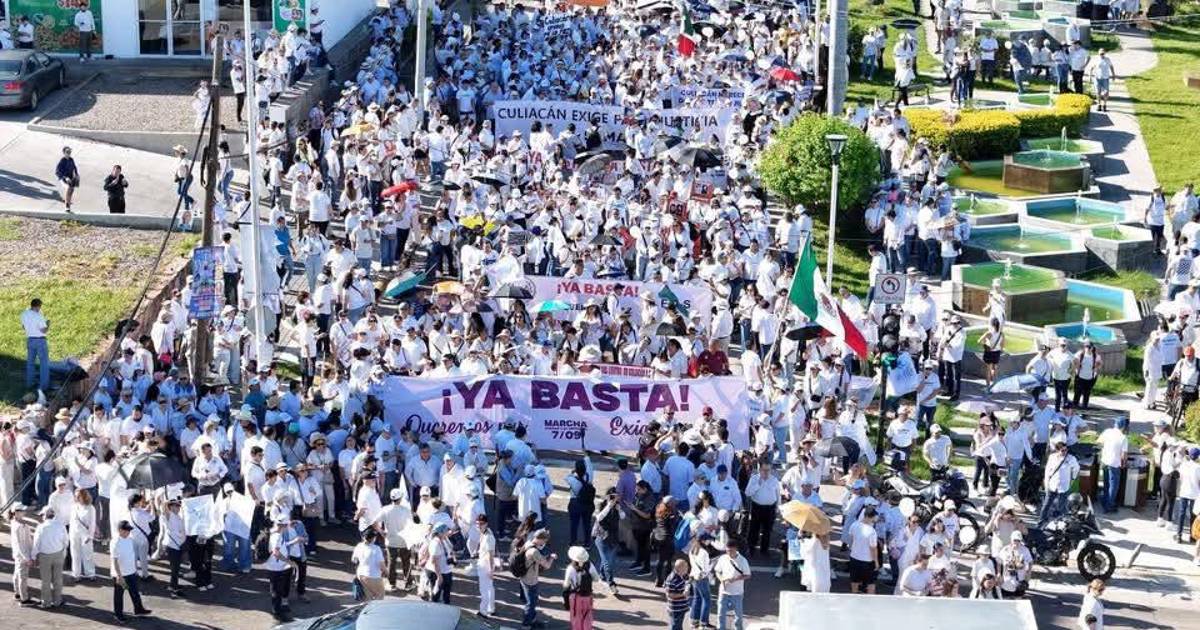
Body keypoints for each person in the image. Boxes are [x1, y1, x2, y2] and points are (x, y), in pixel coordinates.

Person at [111, 520, 152, 622]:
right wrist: (119, 576)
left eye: (129, 530)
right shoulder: (115, 542)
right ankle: (118, 614)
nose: (128, 532)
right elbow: (114, 560)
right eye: (126, 530)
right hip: (121, 575)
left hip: (131, 572)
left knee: (134, 592)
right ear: (120, 530)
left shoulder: (130, 540)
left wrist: (134, 570)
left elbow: (131, 556)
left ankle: (138, 609)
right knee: (119, 596)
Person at [519, 529, 556, 629]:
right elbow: (547, 565)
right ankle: (526, 624)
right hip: (531, 580)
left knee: (532, 600)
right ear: (541, 539)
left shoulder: (528, 543)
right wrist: (552, 557)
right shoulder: (534, 551)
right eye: (544, 541)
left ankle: (532, 620)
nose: (544, 543)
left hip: (524, 577)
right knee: (531, 603)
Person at [33, 506, 67, 608]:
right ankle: (57, 601)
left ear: (45, 516)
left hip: (45, 557)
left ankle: (46, 602)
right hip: (58, 555)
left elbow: (36, 544)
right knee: (58, 579)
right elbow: (65, 541)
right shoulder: (61, 526)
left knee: (45, 580)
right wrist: (63, 553)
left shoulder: (41, 527)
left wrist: (33, 556)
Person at [562, 545, 603, 630]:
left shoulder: (570, 568)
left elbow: (566, 585)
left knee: (576, 617)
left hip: (575, 597)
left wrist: (566, 601)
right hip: (588, 596)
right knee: (587, 615)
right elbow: (596, 578)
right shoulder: (590, 565)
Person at [713, 538, 750, 630]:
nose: (729, 553)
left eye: (731, 551)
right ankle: (721, 628)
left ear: (736, 549)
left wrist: (735, 579)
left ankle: (738, 628)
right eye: (727, 550)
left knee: (738, 614)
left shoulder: (743, 560)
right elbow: (717, 571)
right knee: (721, 613)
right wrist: (721, 579)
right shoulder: (723, 558)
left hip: (737, 592)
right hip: (724, 591)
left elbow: (748, 575)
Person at [266, 516, 296, 621]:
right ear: (283, 525)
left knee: (279, 589)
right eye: (287, 525)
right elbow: (276, 553)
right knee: (276, 591)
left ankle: (279, 610)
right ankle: (277, 613)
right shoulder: (277, 536)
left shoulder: (277, 533)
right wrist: (289, 562)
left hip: (279, 566)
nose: (288, 526)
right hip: (275, 567)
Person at [1097, 418, 1129, 513]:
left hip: (1105, 461)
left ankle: (1105, 500)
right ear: (1123, 426)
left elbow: (1099, 442)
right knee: (1114, 486)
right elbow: (1124, 455)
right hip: (1114, 464)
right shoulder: (1123, 438)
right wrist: (1123, 464)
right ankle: (1109, 505)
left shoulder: (1107, 432)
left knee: (1106, 483)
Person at [848, 506, 880, 594]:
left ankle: (854, 597)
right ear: (872, 517)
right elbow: (873, 548)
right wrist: (876, 562)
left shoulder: (854, 525)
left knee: (854, 581)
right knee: (870, 583)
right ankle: (870, 601)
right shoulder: (872, 531)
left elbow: (851, 540)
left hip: (854, 557)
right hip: (867, 561)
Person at [21, 297, 49, 393]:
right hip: (40, 340)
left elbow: (23, 326)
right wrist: (48, 324)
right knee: (44, 363)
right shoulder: (38, 316)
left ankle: (30, 384)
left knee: (30, 363)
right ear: (38, 306)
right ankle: (43, 386)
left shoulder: (24, 314)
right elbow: (43, 330)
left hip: (30, 340)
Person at [473, 513, 497, 619]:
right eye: (477, 524)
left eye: (481, 524)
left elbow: (491, 555)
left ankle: (483, 611)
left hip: (485, 566)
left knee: (484, 589)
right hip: (484, 564)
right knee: (489, 588)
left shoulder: (488, 537)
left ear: (486, 524)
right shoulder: (486, 532)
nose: (479, 526)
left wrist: (491, 570)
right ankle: (491, 608)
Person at [352, 529, 386, 601]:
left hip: (361, 575)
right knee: (379, 597)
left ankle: (367, 611)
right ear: (373, 538)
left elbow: (354, 560)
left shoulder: (359, 546)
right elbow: (381, 565)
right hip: (373, 576)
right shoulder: (376, 549)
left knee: (368, 598)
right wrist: (386, 572)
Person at [665, 557, 691, 630]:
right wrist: (683, 594)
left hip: (680, 608)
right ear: (680, 568)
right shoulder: (672, 579)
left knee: (678, 627)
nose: (687, 569)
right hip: (675, 609)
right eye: (686, 567)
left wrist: (688, 584)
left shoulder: (682, 575)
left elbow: (686, 581)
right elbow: (669, 594)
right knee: (675, 627)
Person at [55, 147, 80, 212]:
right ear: (64, 153)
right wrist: (65, 177)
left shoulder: (71, 159)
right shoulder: (62, 161)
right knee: (68, 188)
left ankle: (68, 205)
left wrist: (77, 175)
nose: (69, 153)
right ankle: (67, 206)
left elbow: (74, 167)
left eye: (69, 152)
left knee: (71, 190)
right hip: (63, 178)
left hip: (70, 178)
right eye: (67, 152)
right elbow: (57, 171)